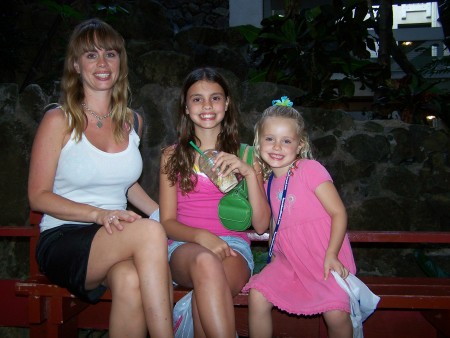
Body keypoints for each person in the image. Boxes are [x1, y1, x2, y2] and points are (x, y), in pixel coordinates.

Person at [28, 18, 173, 338]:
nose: (103, 62)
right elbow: (38, 195)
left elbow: (126, 184)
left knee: (130, 280)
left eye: (110, 53)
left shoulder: (133, 122)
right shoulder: (58, 119)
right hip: (64, 236)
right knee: (149, 234)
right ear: (76, 65)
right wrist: (98, 214)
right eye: (91, 55)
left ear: (121, 62)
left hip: (112, 234)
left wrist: (168, 217)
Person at [159, 67, 271, 337]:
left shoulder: (248, 155)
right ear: (186, 107)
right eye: (197, 99)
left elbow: (261, 224)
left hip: (233, 247)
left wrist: (247, 173)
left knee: (204, 301)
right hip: (186, 247)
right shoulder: (171, 157)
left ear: (227, 103)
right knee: (206, 263)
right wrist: (202, 237)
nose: (207, 105)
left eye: (215, 98)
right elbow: (167, 223)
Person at [243, 97, 356, 338]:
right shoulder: (268, 181)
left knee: (336, 312)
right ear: (258, 142)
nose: (277, 147)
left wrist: (332, 254)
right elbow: (270, 222)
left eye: (286, 141)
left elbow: (338, 212)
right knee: (258, 295)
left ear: (300, 143)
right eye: (269, 139)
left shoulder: (310, 169)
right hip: (288, 260)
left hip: (323, 254)